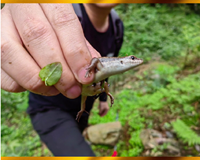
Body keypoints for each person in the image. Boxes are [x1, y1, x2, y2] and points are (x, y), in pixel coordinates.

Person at [1, 3, 123, 156]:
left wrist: (103, 99)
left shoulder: (117, 26)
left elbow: (106, 72)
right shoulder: (63, 11)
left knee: (74, 140)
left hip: (82, 108)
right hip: (50, 108)